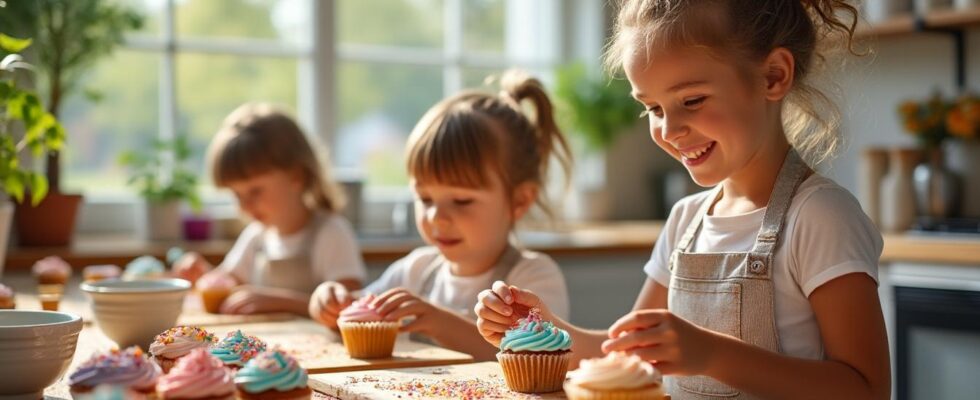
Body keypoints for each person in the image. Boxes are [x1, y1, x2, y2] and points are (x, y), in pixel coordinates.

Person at [475, 1, 891, 398]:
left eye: (692, 100)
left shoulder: (820, 216)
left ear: (773, 77)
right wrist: (546, 330)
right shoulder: (685, 220)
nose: (669, 130)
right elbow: (626, 354)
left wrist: (712, 355)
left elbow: (866, 389)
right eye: (654, 108)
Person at [310, 70, 572, 360]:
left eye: (461, 200)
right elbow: (356, 318)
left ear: (520, 200)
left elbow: (538, 356)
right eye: (425, 198)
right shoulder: (415, 271)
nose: (436, 217)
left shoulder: (533, 278)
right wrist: (329, 303)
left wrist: (438, 322)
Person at [174, 103, 366, 316]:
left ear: (296, 176)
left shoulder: (331, 233)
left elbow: (351, 310)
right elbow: (226, 285)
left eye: (255, 191)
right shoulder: (256, 237)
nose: (244, 205)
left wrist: (280, 302)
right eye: (236, 194)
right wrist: (203, 275)